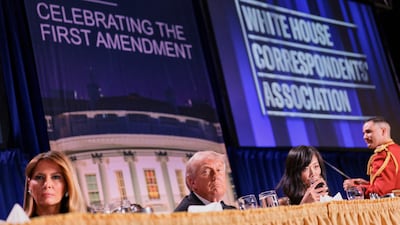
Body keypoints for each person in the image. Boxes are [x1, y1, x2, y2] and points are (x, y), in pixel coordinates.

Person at [343, 116, 400, 197]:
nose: (364, 137)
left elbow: (381, 193)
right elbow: (392, 185)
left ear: (383, 131)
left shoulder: (384, 155)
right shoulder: (397, 150)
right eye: (364, 133)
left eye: (368, 132)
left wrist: (356, 188)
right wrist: (366, 184)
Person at [23, 150, 87, 217]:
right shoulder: (17, 222)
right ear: (29, 184)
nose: (47, 184)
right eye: (39, 177)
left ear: (68, 184)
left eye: (56, 177)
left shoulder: (87, 221)